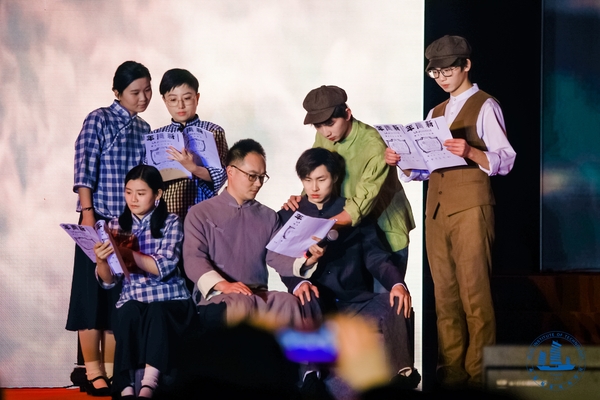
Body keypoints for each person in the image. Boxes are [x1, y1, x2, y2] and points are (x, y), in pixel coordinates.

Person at [385, 35, 516, 387]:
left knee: (475, 297)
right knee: (444, 296)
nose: (441, 78)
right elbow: (426, 167)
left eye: (448, 70)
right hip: (437, 209)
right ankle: (451, 374)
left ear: (466, 65)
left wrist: (470, 151)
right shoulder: (436, 113)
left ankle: (478, 376)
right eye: (435, 73)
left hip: (471, 207)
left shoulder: (485, 105)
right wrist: (402, 161)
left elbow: (506, 159)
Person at [270, 148, 420, 389]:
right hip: (316, 301)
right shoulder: (289, 215)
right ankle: (311, 376)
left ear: (335, 178)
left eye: (321, 179)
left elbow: (376, 257)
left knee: (395, 300)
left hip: (355, 300)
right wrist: (298, 283)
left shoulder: (352, 213)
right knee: (306, 296)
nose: (314, 188)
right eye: (307, 180)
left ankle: (403, 374)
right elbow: (281, 261)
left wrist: (397, 284)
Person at [66, 61, 152, 396]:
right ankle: (93, 370)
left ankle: (115, 369)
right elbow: (84, 167)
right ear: (117, 92)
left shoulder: (145, 128)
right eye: (135, 92)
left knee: (120, 298)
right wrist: (88, 213)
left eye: (147, 90)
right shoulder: (98, 119)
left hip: (127, 226)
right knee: (91, 297)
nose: (143, 97)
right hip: (97, 217)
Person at [183, 139, 321, 329]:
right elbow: (193, 259)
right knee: (241, 304)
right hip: (218, 295)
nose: (258, 183)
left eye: (262, 177)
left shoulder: (268, 216)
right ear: (230, 171)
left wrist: (307, 260)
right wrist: (224, 285)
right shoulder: (200, 213)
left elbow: (277, 256)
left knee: (287, 302)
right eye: (252, 176)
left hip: (257, 295)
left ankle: (305, 349)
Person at [287, 85, 415, 289]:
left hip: (385, 233)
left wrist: (315, 228)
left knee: (385, 301)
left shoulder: (374, 144)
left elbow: (357, 208)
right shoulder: (324, 136)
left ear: (347, 114)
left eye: (330, 123)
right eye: (318, 126)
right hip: (349, 233)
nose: (325, 132)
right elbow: (316, 172)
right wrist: (303, 202)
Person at [95, 165, 195, 399]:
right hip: (133, 296)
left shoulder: (171, 222)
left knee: (157, 312)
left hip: (170, 297)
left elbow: (164, 267)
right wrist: (101, 260)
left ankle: (149, 384)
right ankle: (126, 387)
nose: (133, 199)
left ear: (157, 194)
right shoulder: (114, 226)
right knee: (127, 312)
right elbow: (109, 281)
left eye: (141, 193)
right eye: (128, 192)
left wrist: (127, 254)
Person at [150, 68, 228, 221]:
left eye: (186, 98)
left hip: (205, 213)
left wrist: (193, 168)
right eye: (173, 100)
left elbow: (222, 175)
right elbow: (148, 180)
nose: (180, 105)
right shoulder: (156, 137)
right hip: (167, 214)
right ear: (164, 101)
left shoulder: (213, 131)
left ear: (197, 98)